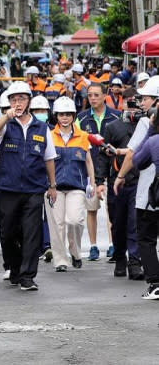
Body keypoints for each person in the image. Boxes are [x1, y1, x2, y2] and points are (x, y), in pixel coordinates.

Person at [0, 81, 58, 291]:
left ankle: (28, 276)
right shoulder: (6, 125)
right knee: (8, 232)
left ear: (29, 101)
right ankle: (15, 266)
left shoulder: (41, 127)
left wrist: (52, 185)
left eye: (21, 99)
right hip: (8, 188)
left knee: (32, 233)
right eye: (13, 99)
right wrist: (7, 115)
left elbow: (49, 159)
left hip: (33, 188)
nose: (17, 103)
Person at [113, 89, 159, 300]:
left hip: (151, 197)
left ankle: (156, 284)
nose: (141, 103)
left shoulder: (149, 132)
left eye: (146, 98)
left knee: (146, 239)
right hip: (149, 194)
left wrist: (120, 175)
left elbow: (136, 158)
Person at [96, 87, 145, 279]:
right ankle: (119, 257)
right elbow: (102, 156)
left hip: (139, 182)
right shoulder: (112, 127)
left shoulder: (146, 125)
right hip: (116, 183)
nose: (132, 107)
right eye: (129, 102)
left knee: (135, 223)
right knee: (117, 223)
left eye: (136, 103)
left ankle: (135, 262)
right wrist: (99, 181)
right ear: (122, 102)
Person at [46, 97, 96, 272]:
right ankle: (60, 260)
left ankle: (75, 252)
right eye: (61, 114)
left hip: (77, 186)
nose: (65, 117)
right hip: (54, 188)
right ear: (56, 116)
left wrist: (92, 183)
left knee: (74, 220)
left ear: (73, 116)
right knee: (57, 224)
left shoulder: (82, 136)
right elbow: (44, 161)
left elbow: (88, 161)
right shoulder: (49, 136)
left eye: (68, 114)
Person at [76, 83, 120, 261]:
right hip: (91, 172)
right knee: (91, 209)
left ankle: (112, 244)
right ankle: (93, 246)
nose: (92, 98)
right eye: (90, 95)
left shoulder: (116, 116)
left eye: (96, 95)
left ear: (105, 95)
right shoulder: (82, 118)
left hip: (112, 169)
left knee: (112, 209)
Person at [30, 95, 55, 263]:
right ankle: (41, 246)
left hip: (50, 177)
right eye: (37, 110)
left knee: (50, 214)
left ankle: (47, 246)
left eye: (43, 110)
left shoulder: (53, 130)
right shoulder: (29, 129)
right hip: (34, 177)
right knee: (35, 215)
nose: (40, 113)